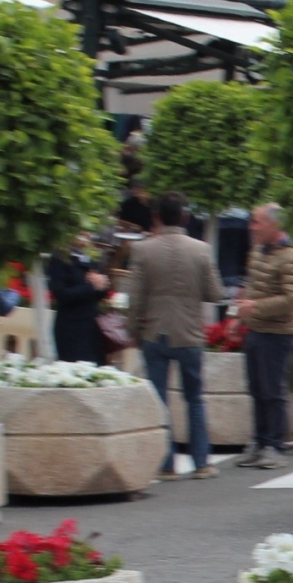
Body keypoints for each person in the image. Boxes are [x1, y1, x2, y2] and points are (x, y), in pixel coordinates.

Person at [124, 192, 223, 479]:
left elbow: (135, 297)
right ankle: (201, 462)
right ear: (185, 217)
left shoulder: (143, 250)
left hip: (155, 331)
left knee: (159, 398)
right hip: (190, 332)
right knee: (195, 396)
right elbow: (215, 293)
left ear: (156, 217)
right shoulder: (201, 250)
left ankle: (166, 464)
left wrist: (133, 330)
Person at [230, 204, 293, 470]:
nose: (252, 227)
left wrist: (256, 307)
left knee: (273, 391)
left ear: (275, 225)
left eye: (257, 222)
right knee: (256, 389)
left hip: (277, 333)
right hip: (256, 330)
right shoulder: (258, 253)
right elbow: (251, 288)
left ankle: (274, 445)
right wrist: (240, 317)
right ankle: (260, 442)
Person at [45, 240, 111, 364]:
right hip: (71, 327)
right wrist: (91, 287)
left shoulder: (92, 257)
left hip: (92, 326)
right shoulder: (60, 258)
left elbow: (101, 288)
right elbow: (61, 294)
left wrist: (102, 284)